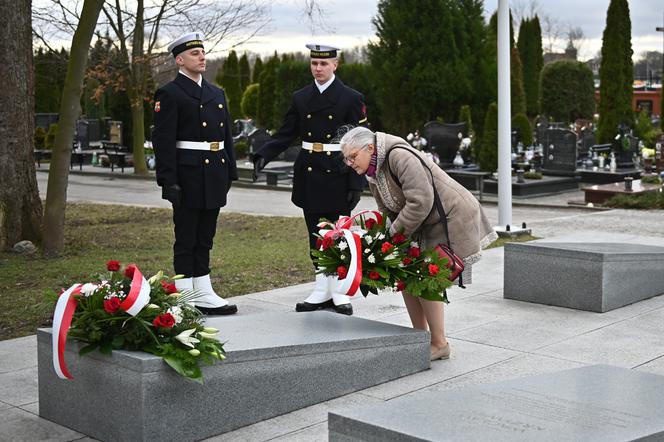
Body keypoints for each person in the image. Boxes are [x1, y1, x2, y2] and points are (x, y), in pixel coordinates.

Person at [339, 126, 497, 360]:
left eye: (353, 156)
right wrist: (382, 237)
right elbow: (387, 208)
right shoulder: (373, 170)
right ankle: (419, 337)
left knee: (425, 276)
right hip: (422, 222)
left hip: (450, 218)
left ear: (370, 148)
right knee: (406, 274)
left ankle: (439, 343)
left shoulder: (399, 156)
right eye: (346, 159)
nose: (350, 162)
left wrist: (393, 235)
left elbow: (420, 202)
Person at [252, 43, 368, 315]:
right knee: (315, 234)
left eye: (324, 64)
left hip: (339, 173)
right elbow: (286, 133)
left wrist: (356, 183)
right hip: (310, 173)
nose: (318, 68)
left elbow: (361, 143)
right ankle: (320, 289)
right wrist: (263, 155)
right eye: (314, 64)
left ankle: (338, 292)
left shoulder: (351, 98)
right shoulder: (301, 97)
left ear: (335, 65)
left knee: (339, 236)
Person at [152, 32, 238, 315]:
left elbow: (226, 135)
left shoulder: (217, 93)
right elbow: (163, 141)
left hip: (214, 173)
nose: (202, 57)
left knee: (206, 236)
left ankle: (203, 289)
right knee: (186, 236)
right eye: (194, 53)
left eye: (203, 52)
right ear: (179, 60)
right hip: (187, 176)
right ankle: (183, 294)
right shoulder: (170, 93)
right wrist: (168, 180)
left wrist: (230, 172)